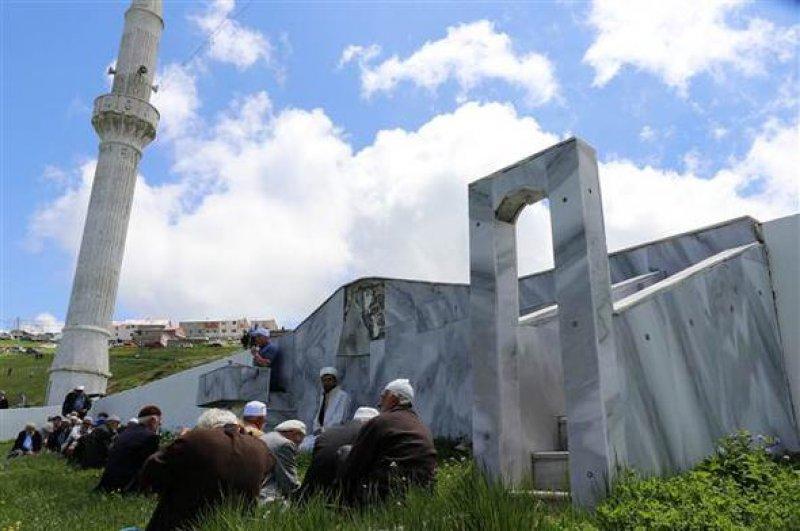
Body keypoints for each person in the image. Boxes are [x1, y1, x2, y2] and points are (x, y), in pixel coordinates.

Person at [140, 408, 274, 531]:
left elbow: (151, 469)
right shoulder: (260, 447)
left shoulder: (196, 438)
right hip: (238, 525)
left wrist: (181, 439)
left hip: (183, 525)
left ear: (206, 427)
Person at [341, 379, 437, 506]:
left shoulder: (380, 422)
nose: (379, 403)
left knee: (346, 452)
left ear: (393, 398)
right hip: (421, 495)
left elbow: (355, 462)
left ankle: (345, 508)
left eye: (383, 397)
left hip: (384, 495)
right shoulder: (423, 427)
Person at [296, 407, 379, 503]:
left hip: (310, 492)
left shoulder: (329, 432)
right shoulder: (366, 433)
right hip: (337, 496)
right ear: (371, 422)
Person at [96, 405, 162, 492]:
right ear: (153, 420)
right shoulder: (150, 437)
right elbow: (150, 468)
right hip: (125, 487)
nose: (159, 425)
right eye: (159, 422)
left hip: (107, 483)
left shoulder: (125, 432)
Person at [260, 420, 306, 503]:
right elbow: (288, 480)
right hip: (265, 495)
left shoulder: (265, 436)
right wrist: (304, 494)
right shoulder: (285, 444)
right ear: (295, 433)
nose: (299, 444)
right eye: (301, 438)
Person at [311, 367, 352, 435]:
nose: (326, 382)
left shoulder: (343, 396)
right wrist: (317, 429)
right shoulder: (323, 396)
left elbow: (340, 419)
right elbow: (318, 417)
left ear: (335, 381)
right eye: (324, 380)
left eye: (329, 379)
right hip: (321, 434)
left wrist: (323, 430)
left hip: (336, 434)